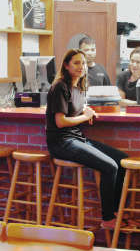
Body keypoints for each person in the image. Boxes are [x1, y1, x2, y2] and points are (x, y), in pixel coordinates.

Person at [46, 48, 128, 229]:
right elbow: (60, 122)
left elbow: (75, 108)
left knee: (122, 160)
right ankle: (107, 219)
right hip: (62, 142)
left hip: (76, 138)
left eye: (83, 63)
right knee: (110, 167)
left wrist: (85, 110)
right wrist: (84, 116)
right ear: (66, 66)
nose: (81, 66)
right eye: (76, 63)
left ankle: (116, 212)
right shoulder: (60, 86)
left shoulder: (79, 87)